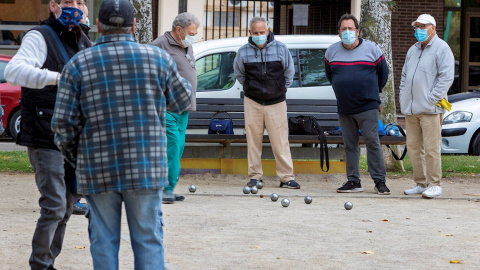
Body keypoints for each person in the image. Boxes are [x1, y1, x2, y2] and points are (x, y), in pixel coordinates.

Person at [51, 0, 192, 268]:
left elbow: (62, 126)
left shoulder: (78, 64)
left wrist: (78, 158)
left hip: (97, 167)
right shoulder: (158, 58)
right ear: (134, 26)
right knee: (148, 239)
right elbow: (183, 100)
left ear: (98, 26)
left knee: (103, 240)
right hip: (145, 166)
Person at [4, 0, 90, 269]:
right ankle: (40, 265)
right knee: (54, 205)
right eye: (67, 2)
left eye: (79, 2)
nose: (74, 6)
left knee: (65, 207)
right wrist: (57, 77)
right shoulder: (39, 36)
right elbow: (13, 71)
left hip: (73, 137)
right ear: (54, 6)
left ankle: (47, 261)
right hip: (45, 134)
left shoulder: (84, 41)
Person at [324, 13, 390, 195]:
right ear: (339, 33)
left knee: (372, 142)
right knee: (350, 145)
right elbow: (331, 75)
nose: (347, 32)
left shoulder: (372, 49)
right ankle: (353, 181)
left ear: (358, 31)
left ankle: (379, 182)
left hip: (367, 106)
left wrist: (374, 93)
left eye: (350, 29)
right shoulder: (331, 52)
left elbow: (383, 73)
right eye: (343, 29)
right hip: (345, 107)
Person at [233, 17, 300, 189]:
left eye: (262, 32)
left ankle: (286, 177)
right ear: (250, 33)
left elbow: (289, 72)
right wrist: (249, 87)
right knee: (253, 141)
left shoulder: (281, 48)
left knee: (280, 141)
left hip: (276, 102)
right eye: (255, 33)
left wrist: (279, 89)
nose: (259, 35)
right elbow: (239, 74)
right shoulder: (243, 52)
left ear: (268, 31)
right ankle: (255, 177)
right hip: (252, 101)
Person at [400, 14, 454, 198]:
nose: (419, 30)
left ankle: (435, 184)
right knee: (413, 147)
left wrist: (431, 99)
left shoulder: (442, 48)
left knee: (432, 148)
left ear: (433, 28)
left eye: (423, 27)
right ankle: (421, 183)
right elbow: (405, 76)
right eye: (417, 27)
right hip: (411, 109)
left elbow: (446, 77)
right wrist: (403, 97)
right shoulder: (412, 50)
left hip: (431, 109)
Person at [150, 12, 200, 204]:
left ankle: (169, 187)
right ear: (179, 30)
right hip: (167, 107)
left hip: (184, 108)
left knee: (177, 148)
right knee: (171, 148)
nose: (193, 37)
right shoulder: (159, 45)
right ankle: (164, 189)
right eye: (191, 33)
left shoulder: (186, 46)